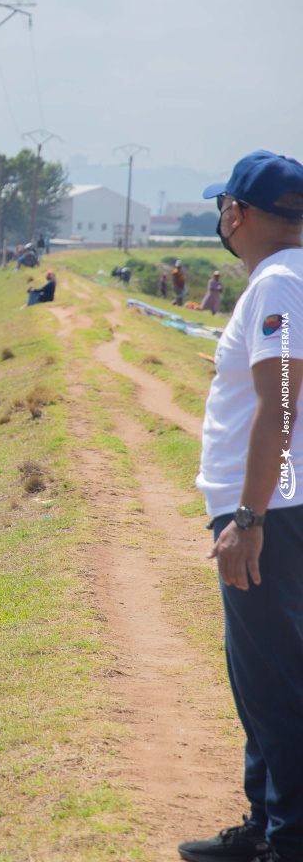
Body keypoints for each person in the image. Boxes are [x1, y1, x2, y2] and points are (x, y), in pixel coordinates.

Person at [178, 150, 303, 862]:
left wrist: (248, 518)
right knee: (261, 680)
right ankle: (265, 823)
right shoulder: (288, 281)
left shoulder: (280, 282)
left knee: (274, 685)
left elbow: (279, 404)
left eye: (223, 206)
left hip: (271, 516)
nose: (221, 218)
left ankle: (287, 841)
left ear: (240, 213)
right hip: (279, 507)